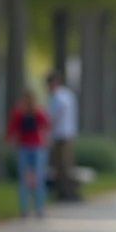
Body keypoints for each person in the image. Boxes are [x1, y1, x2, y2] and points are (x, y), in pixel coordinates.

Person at [6, 90, 50, 218]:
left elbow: (46, 124)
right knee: (27, 180)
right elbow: (13, 127)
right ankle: (27, 209)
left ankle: (36, 208)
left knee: (37, 180)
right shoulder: (20, 112)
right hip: (28, 147)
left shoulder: (36, 112)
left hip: (34, 147)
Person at [46, 71, 80, 201]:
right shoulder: (67, 94)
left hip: (61, 134)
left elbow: (61, 110)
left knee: (62, 165)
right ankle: (65, 192)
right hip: (66, 133)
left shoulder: (58, 95)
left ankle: (66, 193)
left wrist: (51, 124)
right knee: (63, 165)